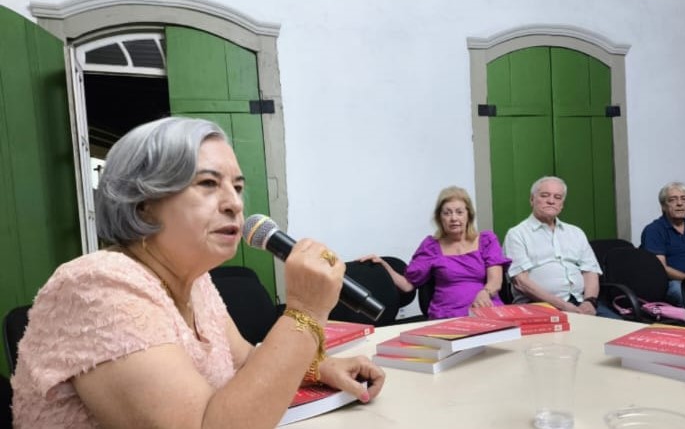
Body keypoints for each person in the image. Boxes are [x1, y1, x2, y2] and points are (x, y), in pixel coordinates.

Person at [11, 117, 385, 428]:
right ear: (143, 204)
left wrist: (320, 369)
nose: (235, 203)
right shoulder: (97, 286)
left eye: (237, 187)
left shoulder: (196, 280)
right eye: (208, 184)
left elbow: (245, 362)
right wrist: (305, 311)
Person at [359, 186, 511, 319]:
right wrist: (384, 266)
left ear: (468, 215)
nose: (454, 218)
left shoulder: (486, 240)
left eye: (459, 212)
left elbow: (495, 282)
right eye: (447, 213)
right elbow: (407, 286)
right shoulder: (430, 246)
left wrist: (485, 293)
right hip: (447, 315)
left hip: (485, 309)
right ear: (440, 218)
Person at [503, 176, 618, 318]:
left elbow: (590, 271)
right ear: (532, 200)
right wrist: (563, 306)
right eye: (545, 195)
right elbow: (521, 282)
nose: (551, 201)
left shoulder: (576, 232)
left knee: (621, 328)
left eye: (557, 197)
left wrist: (590, 301)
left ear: (562, 204)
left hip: (580, 302)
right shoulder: (517, 234)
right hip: (538, 305)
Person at [640, 181, 685, 315]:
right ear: (663, 206)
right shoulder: (654, 230)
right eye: (673, 200)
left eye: (684, 199)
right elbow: (661, 267)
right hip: (673, 283)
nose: (680, 203)